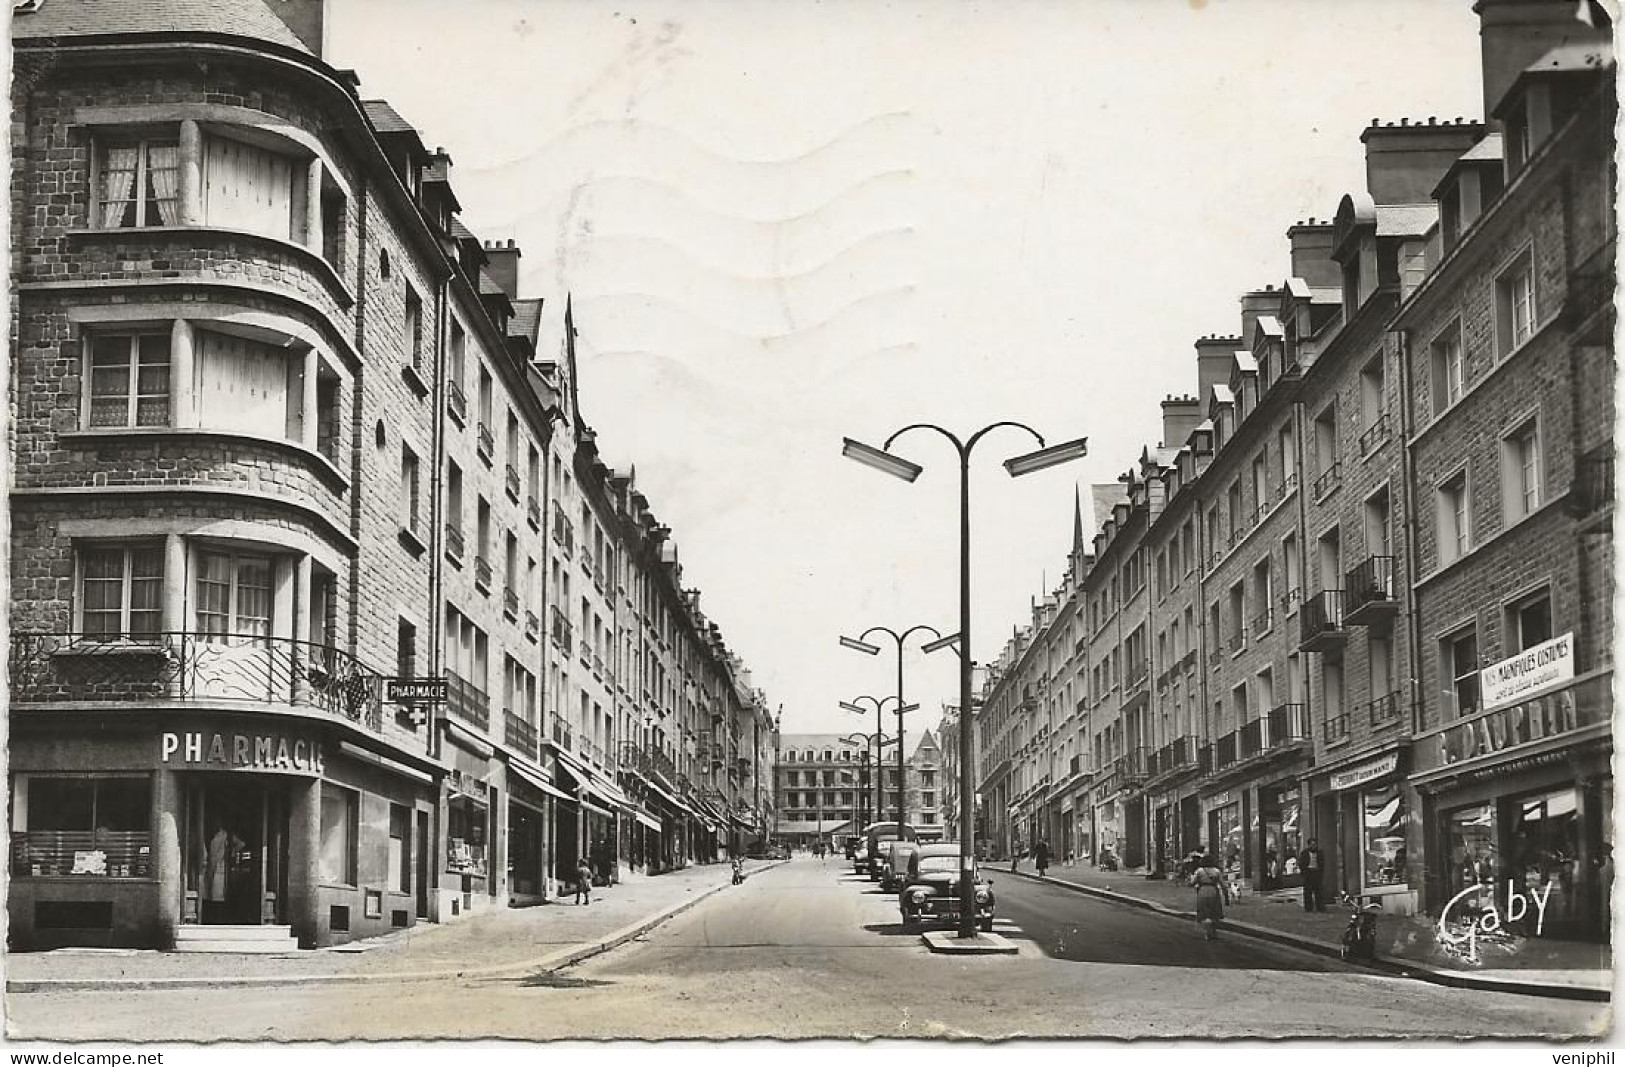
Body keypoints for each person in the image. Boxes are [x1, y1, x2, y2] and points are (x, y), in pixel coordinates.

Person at [1191, 853, 1228, 940]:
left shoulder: (1199, 871)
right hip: (1213, 891)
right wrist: (1226, 896)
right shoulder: (1217, 871)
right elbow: (1223, 884)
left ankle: (1207, 932)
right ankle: (1213, 931)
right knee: (1214, 912)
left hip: (1202, 891)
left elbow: (1192, 883)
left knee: (1204, 913)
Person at [1298, 838, 1325, 912]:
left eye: (1315, 844)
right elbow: (1301, 863)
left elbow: (1322, 863)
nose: (1313, 846)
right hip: (1308, 873)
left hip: (1316, 873)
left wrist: (1320, 872)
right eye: (1312, 844)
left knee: (1318, 891)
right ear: (1309, 845)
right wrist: (1304, 872)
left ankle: (1320, 907)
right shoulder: (1304, 853)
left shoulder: (1319, 853)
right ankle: (1308, 907)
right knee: (1308, 891)